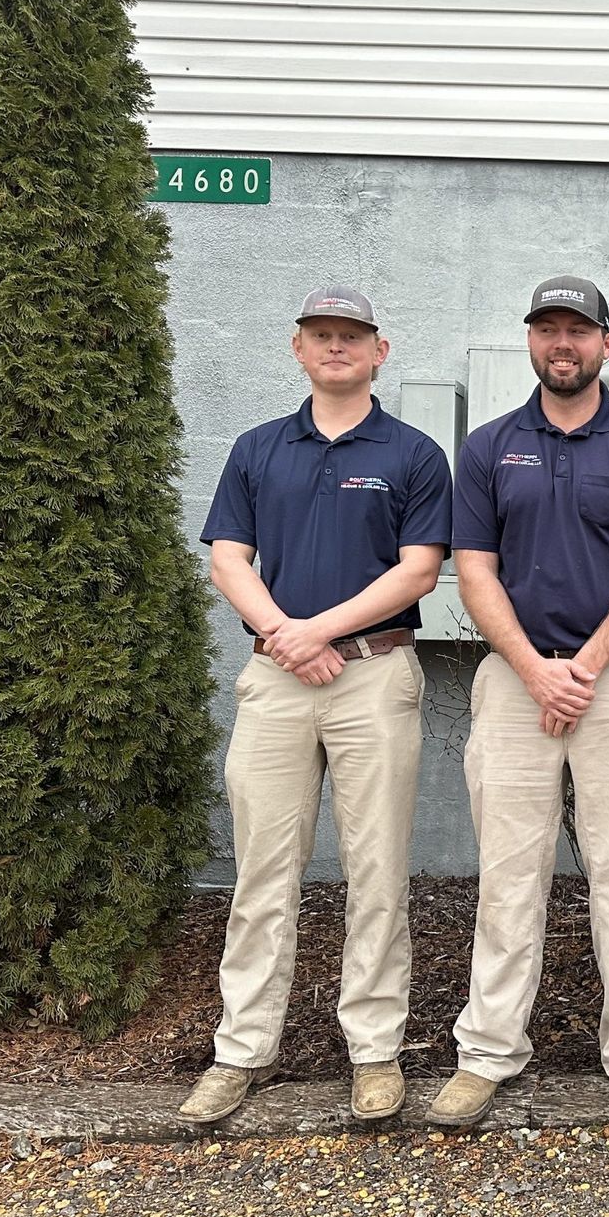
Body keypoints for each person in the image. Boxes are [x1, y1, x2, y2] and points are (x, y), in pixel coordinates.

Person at [182, 285, 453, 1126]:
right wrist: (284, 635)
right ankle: (243, 1050)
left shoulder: (413, 454)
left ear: (380, 351)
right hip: (276, 682)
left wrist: (317, 632)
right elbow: (229, 560)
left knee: (377, 873)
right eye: (321, 335)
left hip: (374, 676)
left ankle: (373, 1051)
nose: (337, 347)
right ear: (297, 348)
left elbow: (418, 570)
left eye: (352, 336)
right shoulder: (258, 448)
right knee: (263, 872)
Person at [430, 276, 609, 1128]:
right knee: (509, 875)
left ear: (608, 344)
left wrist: (583, 666)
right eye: (547, 329)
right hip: (516, 682)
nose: (562, 343)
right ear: (531, 341)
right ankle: (488, 1052)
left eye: (578, 330)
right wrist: (535, 671)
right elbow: (474, 570)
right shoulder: (491, 447)